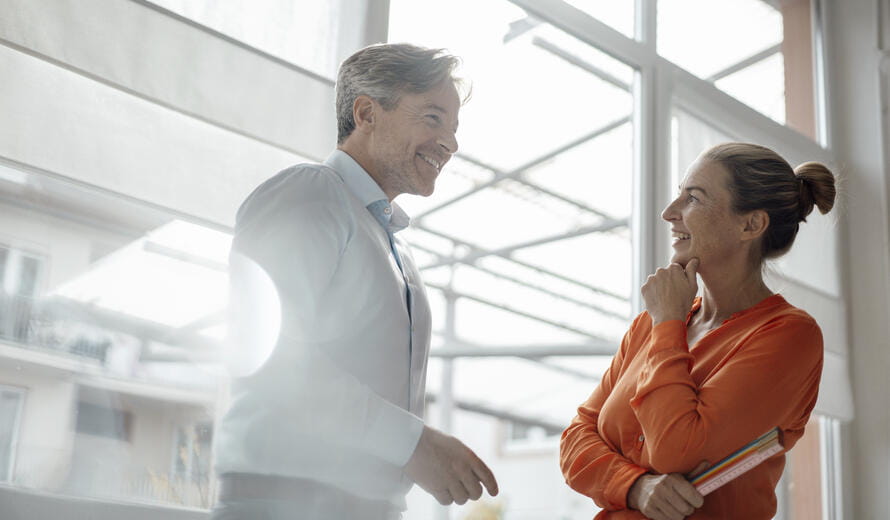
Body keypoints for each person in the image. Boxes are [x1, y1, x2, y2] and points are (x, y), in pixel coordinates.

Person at [212, 43, 498, 520]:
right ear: (366, 112)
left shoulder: (392, 244)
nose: (450, 143)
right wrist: (413, 444)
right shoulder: (309, 194)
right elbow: (270, 359)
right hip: (285, 505)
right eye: (432, 118)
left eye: (452, 128)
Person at [560, 142, 836, 520]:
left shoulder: (789, 335)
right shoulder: (653, 323)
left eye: (693, 198)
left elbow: (677, 449)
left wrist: (668, 325)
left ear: (750, 224)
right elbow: (576, 438)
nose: (669, 212)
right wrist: (635, 487)